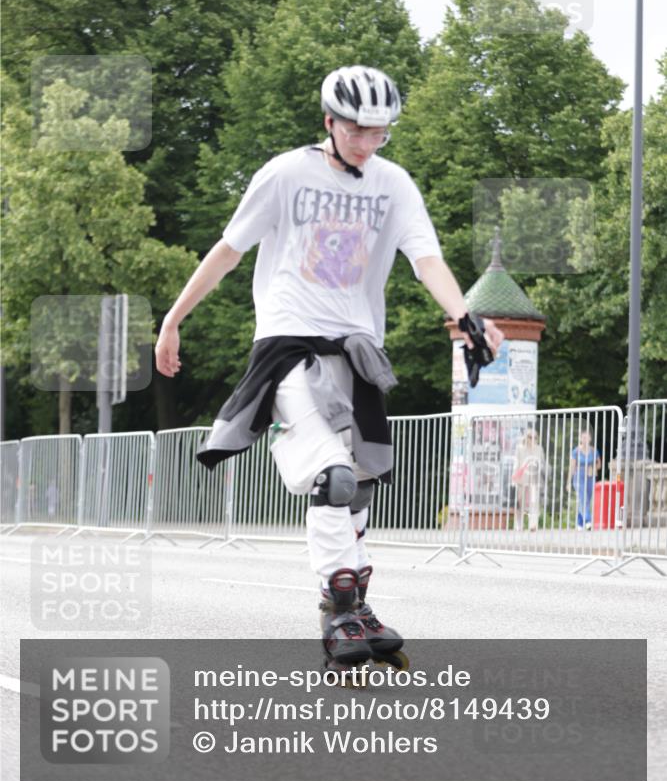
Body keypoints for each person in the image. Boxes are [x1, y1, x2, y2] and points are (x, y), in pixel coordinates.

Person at [155, 64, 504, 673]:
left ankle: (354, 604)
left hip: (358, 348)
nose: (369, 144)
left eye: (381, 133)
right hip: (289, 344)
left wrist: (467, 318)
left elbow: (426, 259)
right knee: (333, 477)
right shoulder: (286, 174)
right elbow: (229, 250)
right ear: (329, 122)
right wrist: (174, 318)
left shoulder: (393, 184)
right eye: (357, 132)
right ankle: (340, 604)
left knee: (361, 482)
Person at [511, 428, 547, 532]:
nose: (533, 439)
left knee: (534, 502)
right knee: (520, 503)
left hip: (534, 479)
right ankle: (519, 524)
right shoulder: (520, 448)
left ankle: (533, 524)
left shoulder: (539, 449)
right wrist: (514, 478)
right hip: (521, 478)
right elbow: (516, 463)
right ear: (526, 437)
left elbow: (542, 463)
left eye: (535, 437)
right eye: (530, 437)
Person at [567, 430, 601, 530]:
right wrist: (568, 482)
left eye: (587, 437)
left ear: (590, 439)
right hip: (579, 477)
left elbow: (599, 465)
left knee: (586, 500)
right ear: (580, 439)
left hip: (590, 476)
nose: (585, 439)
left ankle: (580, 523)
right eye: (583, 437)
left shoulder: (594, 451)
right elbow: (572, 467)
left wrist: (593, 467)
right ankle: (588, 521)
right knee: (583, 498)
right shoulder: (576, 451)